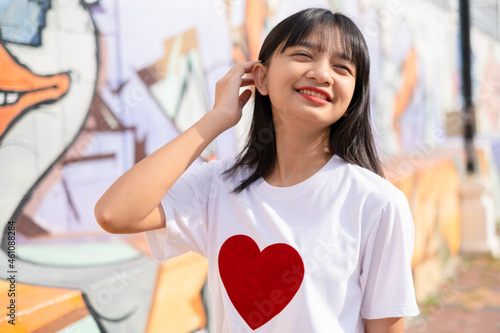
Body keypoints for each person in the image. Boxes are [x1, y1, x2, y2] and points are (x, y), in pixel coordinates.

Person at [95, 8, 419, 333]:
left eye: (342, 67)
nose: (322, 74)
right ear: (261, 77)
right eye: (304, 55)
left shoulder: (377, 203)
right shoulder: (217, 187)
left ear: (352, 96)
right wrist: (217, 118)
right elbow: (115, 213)